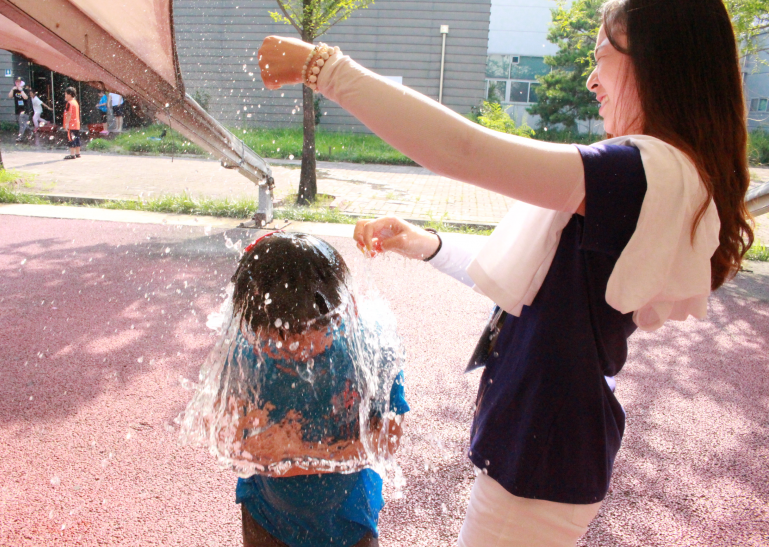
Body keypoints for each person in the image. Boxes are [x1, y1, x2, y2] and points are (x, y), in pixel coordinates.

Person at [257, 1, 753, 546]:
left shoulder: (635, 174)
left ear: (654, 60)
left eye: (601, 56)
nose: (591, 80)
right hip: (547, 450)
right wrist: (426, 244)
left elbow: (463, 149)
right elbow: (533, 286)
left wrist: (324, 69)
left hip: (544, 455)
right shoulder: (650, 176)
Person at [186, 232, 408, 547]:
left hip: (350, 518)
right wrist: (330, 452)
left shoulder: (372, 350)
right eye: (276, 338)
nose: (295, 348)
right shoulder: (246, 353)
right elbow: (226, 439)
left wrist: (291, 453)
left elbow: (389, 439)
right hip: (267, 518)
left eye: (308, 334)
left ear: (348, 307)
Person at [7, 77, 30, 142]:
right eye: (16, 82)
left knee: (22, 124)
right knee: (23, 124)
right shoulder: (15, 90)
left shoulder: (25, 89)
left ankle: (20, 137)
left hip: (24, 110)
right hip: (18, 109)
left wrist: (21, 90)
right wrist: (12, 89)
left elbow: (25, 97)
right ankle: (30, 132)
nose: (17, 83)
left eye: (19, 82)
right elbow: (10, 96)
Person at [62, 86, 81, 159]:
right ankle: (78, 153)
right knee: (77, 138)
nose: (65, 96)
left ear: (70, 94)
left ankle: (72, 154)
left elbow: (69, 114)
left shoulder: (69, 103)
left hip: (71, 125)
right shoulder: (75, 102)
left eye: (66, 94)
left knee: (71, 139)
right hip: (76, 124)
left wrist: (66, 124)